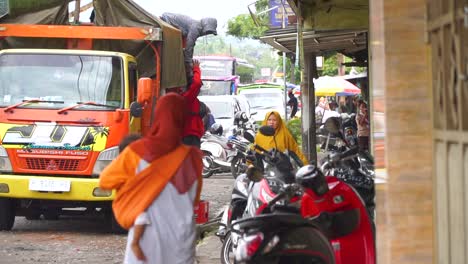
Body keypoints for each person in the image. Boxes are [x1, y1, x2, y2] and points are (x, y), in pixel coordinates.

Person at [99, 93, 203, 264]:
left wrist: (137, 188)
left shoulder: (137, 152)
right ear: (183, 119)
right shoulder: (194, 158)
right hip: (182, 239)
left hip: (146, 239)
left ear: (157, 116)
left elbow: (106, 181)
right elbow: (194, 200)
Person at [160, 13, 217, 82]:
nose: (207, 34)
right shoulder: (196, 27)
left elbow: (190, 46)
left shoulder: (195, 26)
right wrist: (189, 65)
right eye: (208, 32)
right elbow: (189, 47)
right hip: (168, 20)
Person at [181, 59, 204, 148]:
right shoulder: (187, 97)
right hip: (190, 136)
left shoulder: (184, 97)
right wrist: (196, 69)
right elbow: (197, 83)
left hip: (190, 136)